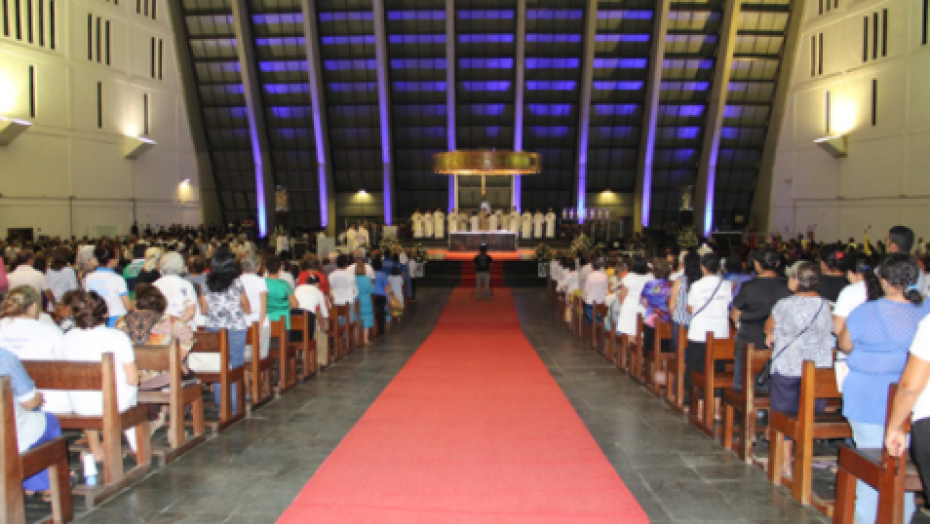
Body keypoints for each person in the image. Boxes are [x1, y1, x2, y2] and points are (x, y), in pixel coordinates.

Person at [837, 254, 929, 523]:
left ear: (885, 281)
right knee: (906, 466)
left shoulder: (865, 311)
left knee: (872, 466)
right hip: (918, 403)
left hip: (868, 395)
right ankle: (901, 515)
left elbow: (845, 345)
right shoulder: (926, 310)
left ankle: (868, 518)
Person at [764, 261, 833, 478]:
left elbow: (768, 327)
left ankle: (786, 464)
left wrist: (771, 334)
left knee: (784, 414)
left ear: (796, 281)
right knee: (809, 415)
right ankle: (804, 458)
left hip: (788, 366)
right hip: (818, 368)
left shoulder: (784, 305)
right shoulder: (827, 305)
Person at [60, 290, 140, 461]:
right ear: (105, 313)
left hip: (80, 404)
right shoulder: (117, 337)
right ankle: (136, 447)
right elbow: (133, 379)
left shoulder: (66, 338)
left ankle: (96, 450)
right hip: (115, 403)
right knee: (128, 395)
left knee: (87, 397)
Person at [115, 285, 195, 438]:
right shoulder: (171, 321)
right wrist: (176, 362)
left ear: (136, 302)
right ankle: (175, 424)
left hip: (130, 378)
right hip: (162, 378)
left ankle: (153, 416)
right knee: (189, 377)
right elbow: (188, 339)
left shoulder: (121, 322)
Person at [0, 346, 63, 500]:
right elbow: (29, 403)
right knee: (48, 420)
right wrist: (38, 397)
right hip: (8, 442)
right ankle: (43, 484)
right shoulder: (5, 359)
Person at [0, 286, 72, 413]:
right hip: (46, 403)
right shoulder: (51, 331)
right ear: (33, 306)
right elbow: (67, 364)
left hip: (7, 402)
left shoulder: (2, 327)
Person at [198, 247, 250, 416]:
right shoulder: (237, 283)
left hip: (214, 328)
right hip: (236, 328)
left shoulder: (206, 283)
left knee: (218, 367)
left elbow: (204, 310)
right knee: (235, 366)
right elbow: (246, 306)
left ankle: (223, 408)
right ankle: (235, 407)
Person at [730, 248, 790, 391]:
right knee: (771, 386)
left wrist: (740, 326)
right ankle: (765, 412)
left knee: (743, 386)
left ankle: (746, 411)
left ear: (757, 264)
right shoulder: (787, 287)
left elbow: (735, 315)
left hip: (748, 340)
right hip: (777, 342)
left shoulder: (748, 287)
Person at [685, 253, 732, 397]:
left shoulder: (697, 285)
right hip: (720, 332)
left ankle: (698, 405)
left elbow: (690, 307)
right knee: (717, 369)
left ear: (703, 268)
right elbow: (728, 304)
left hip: (700, 331)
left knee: (697, 368)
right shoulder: (727, 285)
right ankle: (716, 406)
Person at [83, 246, 132, 327]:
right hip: (118, 321)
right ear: (111, 260)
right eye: (117, 257)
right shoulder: (117, 278)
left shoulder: (88, 278)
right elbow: (127, 306)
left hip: (98, 320)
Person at [153, 252, 198, 331]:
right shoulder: (186, 285)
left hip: (160, 331)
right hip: (183, 329)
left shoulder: (154, 285)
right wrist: (176, 325)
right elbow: (190, 312)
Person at [294, 273, 330, 367]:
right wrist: (325, 323)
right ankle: (307, 362)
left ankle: (299, 355)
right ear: (317, 284)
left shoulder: (298, 288)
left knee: (296, 338)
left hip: (293, 315)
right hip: (307, 315)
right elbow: (324, 312)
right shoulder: (318, 292)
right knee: (308, 339)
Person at [614, 256, 653, 338]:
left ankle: (630, 348)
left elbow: (622, 294)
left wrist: (623, 305)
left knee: (630, 331)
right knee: (643, 332)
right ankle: (641, 348)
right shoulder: (650, 277)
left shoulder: (629, 277)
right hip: (645, 306)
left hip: (630, 306)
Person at [640, 260, 673, 355]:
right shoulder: (671, 284)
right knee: (666, 348)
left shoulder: (650, 284)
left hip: (651, 319)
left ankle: (648, 367)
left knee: (649, 346)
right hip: (667, 320)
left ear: (654, 272)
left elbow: (643, 301)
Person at [265, 255, 297, 329]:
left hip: (266, 322)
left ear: (266, 269)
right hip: (283, 323)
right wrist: (284, 306)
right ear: (280, 269)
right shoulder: (285, 285)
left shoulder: (261, 283)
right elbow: (295, 304)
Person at [45, 247, 78, 315]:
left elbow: (47, 288)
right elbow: (74, 289)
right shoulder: (69, 271)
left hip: (51, 305)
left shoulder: (49, 270)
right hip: (64, 306)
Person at [354, 257, 374, 344]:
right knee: (366, 319)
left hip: (356, 301)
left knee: (356, 318)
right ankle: (365, 339)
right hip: (366, 301)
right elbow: (371, 290)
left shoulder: (353, 279)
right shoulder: (367, 279)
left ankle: (356, 338)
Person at [583, 258, 608, 323]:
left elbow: (586, 289)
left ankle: (589, 327)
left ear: (592, 268)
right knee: (599, 318)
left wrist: (584, 297)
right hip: (601, 302)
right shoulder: (604, 276)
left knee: (588, 318)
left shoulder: (590, 276)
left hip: (591, 301)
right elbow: (606, 289)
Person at [371, 256, 389, 337]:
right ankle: (381, 329)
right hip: (381, 295)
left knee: (374, 312)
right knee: (381, 312)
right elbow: (386, 286)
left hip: (373, 296)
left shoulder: (371, 274)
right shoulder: (383, 274)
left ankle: (373, 329)